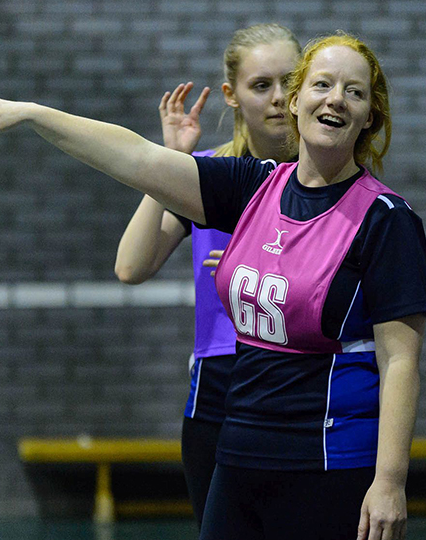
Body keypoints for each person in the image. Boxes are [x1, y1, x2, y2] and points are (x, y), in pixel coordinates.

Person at [0, 30, 426, 540]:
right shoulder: (252, 186)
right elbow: (139, 159)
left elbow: (400, 360)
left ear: (370, 115)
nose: (335, 99)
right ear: (298, 99)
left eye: (354, 91)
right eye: (323, 84)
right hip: (238, 454)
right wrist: (35, 113)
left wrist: (389, 480)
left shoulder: (385, 219)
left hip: (330, 459)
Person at [113, 23, 300, 528]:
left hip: (300, 378)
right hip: (220, 380)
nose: (280, 98)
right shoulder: (206, 176)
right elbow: (131, 266)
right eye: (261, 85)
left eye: (291, 81)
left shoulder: (324, 175)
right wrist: (168, 164)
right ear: (232, 96)